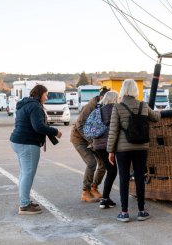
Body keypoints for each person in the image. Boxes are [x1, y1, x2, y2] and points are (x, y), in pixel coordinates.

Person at [107, 79, 160, 222]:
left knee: (124, 179)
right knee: (139, 178)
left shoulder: (117, 107)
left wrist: (110, 151)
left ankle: (124, 213)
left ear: (123, 90)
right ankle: (141, 211)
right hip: (141, 147)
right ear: (135, 90)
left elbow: (113, 130)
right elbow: (155, 117)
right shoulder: (143, 105)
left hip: (122, 149)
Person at [10, 84, 62, 215]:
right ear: (40, 94)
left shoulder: (26, 104)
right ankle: (24, 205)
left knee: (24, 173)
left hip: (18, 141)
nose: (47, 96)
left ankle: (24, 200)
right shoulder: (35, 106)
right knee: (27, 173)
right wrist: (55, 131)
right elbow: (38, 127)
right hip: (27, 143)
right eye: (46, 94)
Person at [70, 86, 109, 203]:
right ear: (102, 97)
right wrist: (90, 141)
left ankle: (94, 188)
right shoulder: (90, 106)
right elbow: (79, 125)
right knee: (92, 163)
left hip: (93, 140)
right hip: (80, 139)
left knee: (103, 163)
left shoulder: (103, 105)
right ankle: (85, 192)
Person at [91, 91, 119, 209]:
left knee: (110, 170)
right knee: (112, 171)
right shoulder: (114, 109)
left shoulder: (98, 110)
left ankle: (105, 198)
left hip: (97, 145)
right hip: (109, 145)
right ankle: (105, 199)